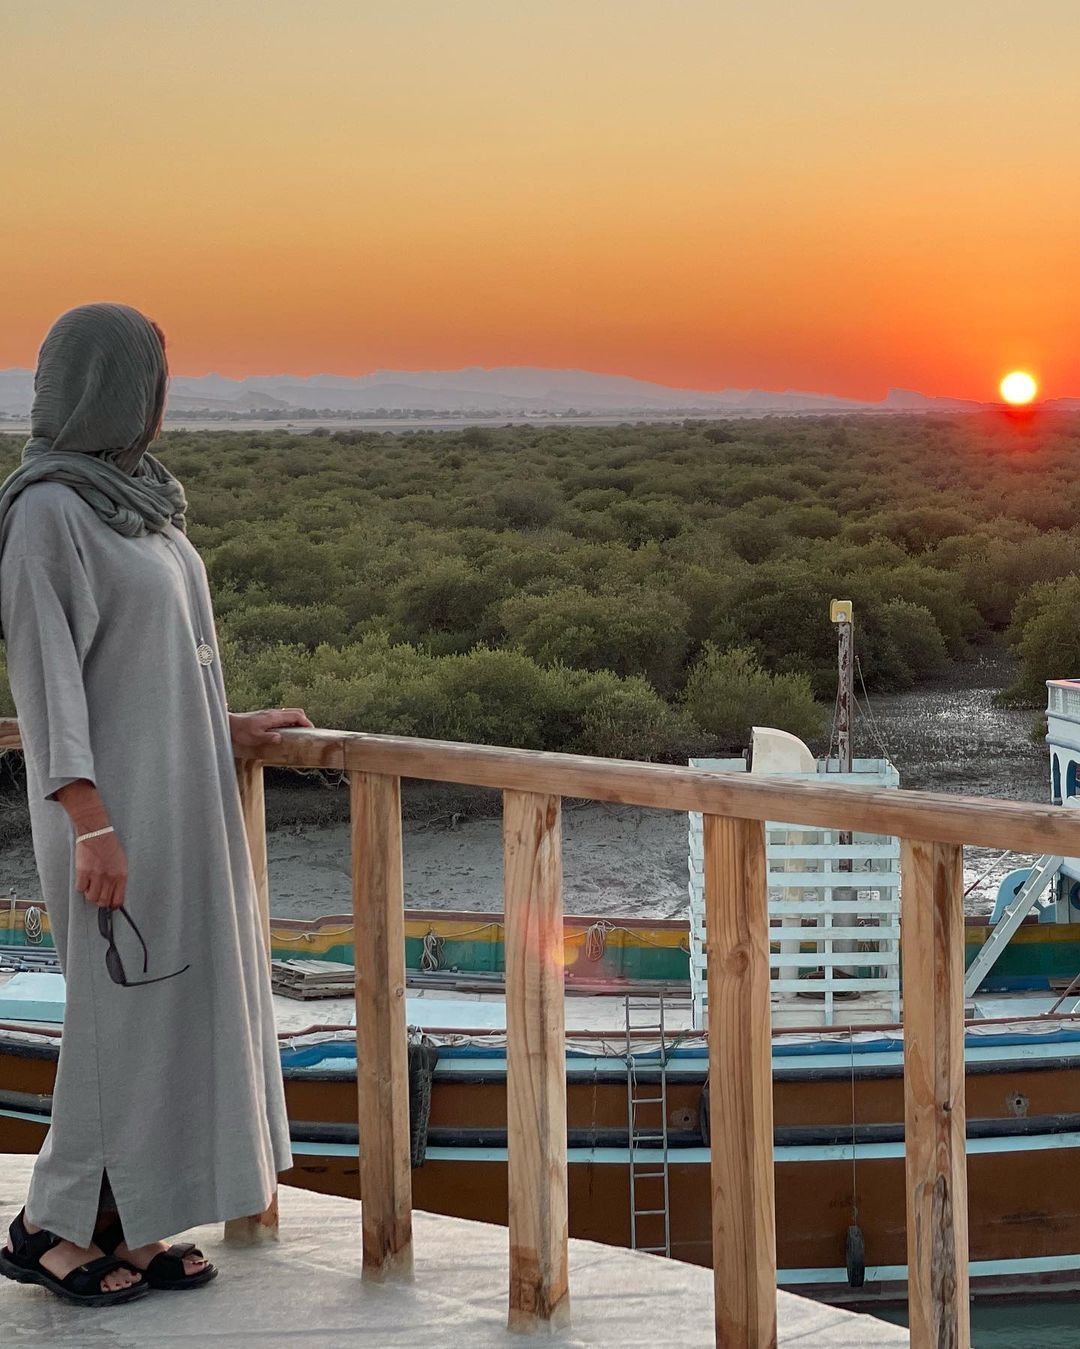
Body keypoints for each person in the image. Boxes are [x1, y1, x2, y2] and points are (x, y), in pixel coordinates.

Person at [0, 303, 311, 1305]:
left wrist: (225, 722)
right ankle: (46, 1224)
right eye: (149, 378)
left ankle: (128, 1220)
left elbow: (150, 661)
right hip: (111, 817)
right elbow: (49, 682)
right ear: (105, 385)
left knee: (172, 1010)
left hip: (183, 801)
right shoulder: (47, 511)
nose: (160, 399)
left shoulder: (137, 500)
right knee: (118, 1021)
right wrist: (91, 819)